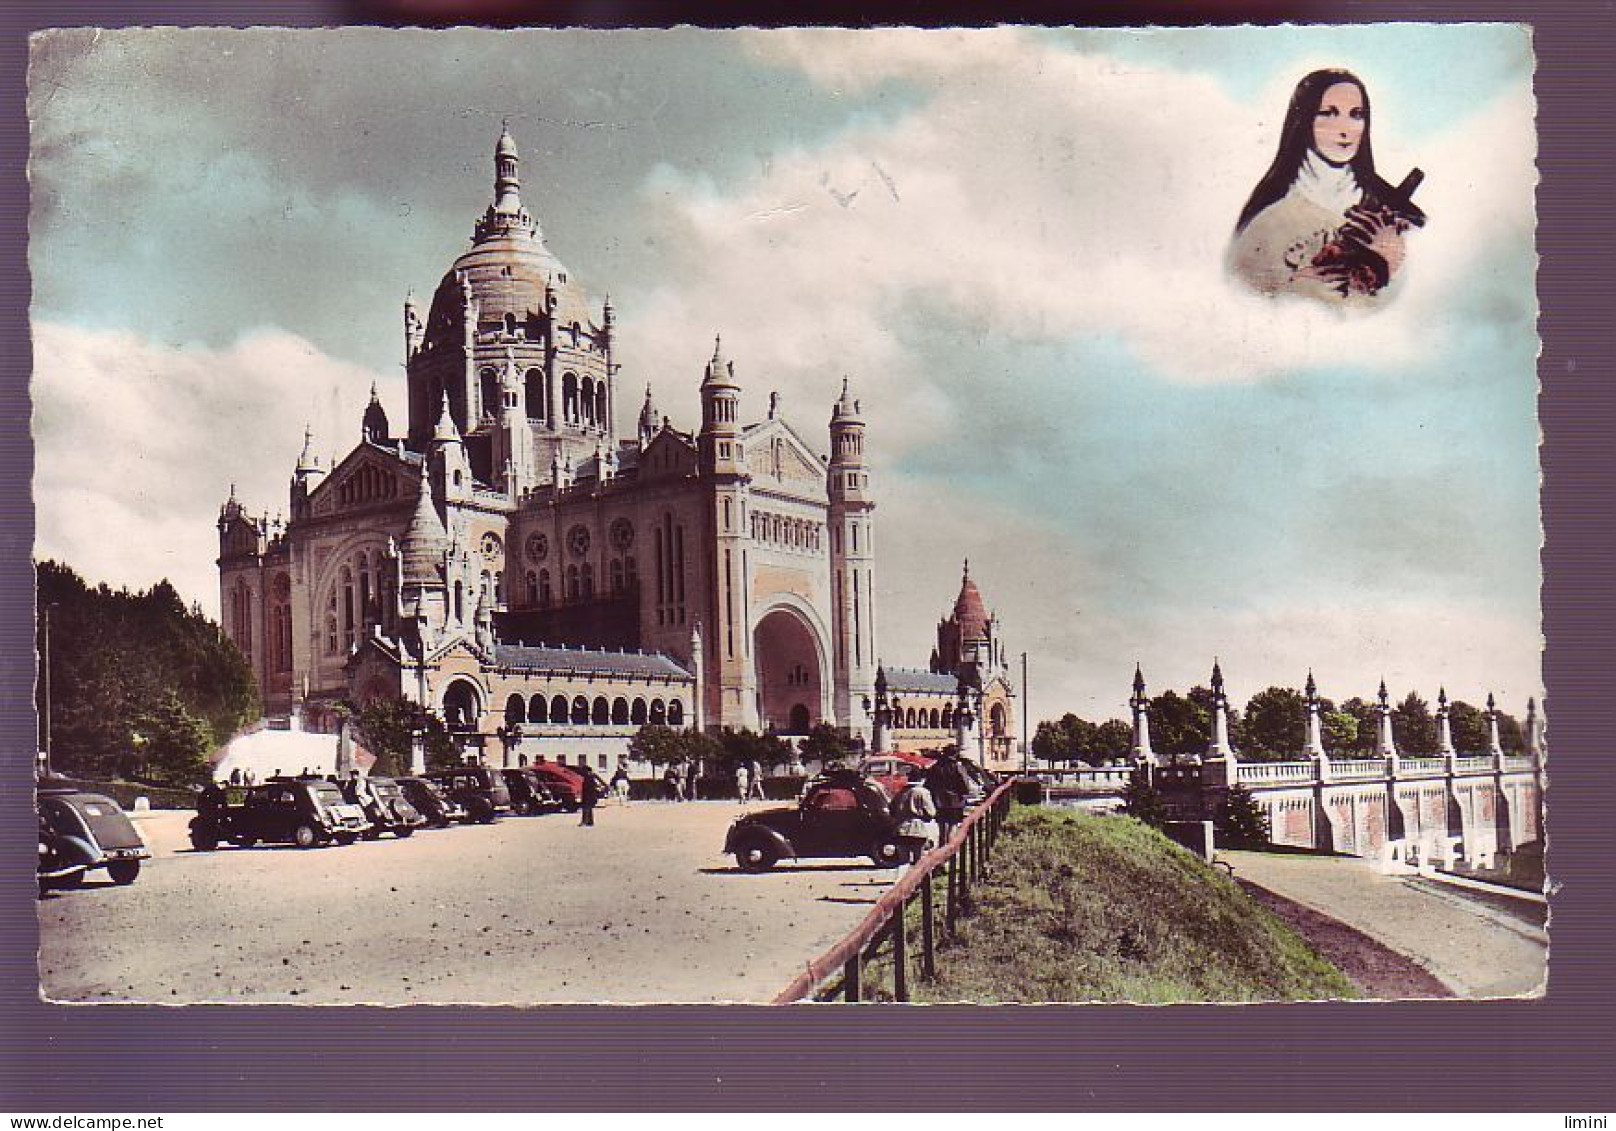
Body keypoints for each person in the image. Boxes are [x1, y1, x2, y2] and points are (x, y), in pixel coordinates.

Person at [1228, 69, 1424, 302]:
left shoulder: (1398, 216)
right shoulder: (1269, 214)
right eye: (1328, 113)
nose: (1344, 129)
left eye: (1356, 114)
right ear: (1303, 120)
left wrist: (1387, 262)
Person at [923, 747, 972, 844]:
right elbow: (964, 784)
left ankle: (942, 846)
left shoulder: (935, 767)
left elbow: (928, 784)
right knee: (953, 825)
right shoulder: (957, 767)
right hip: (955, 801)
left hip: (938, 800)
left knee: (941, 826)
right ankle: (950, 849)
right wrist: (964, 794)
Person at [891, 777, 939, 865]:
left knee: (903, 863)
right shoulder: (923, 792)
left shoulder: (901, 793)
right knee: (919, 862)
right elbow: (931, 812)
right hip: (918, 829)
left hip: (901, 828)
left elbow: (892, 809)